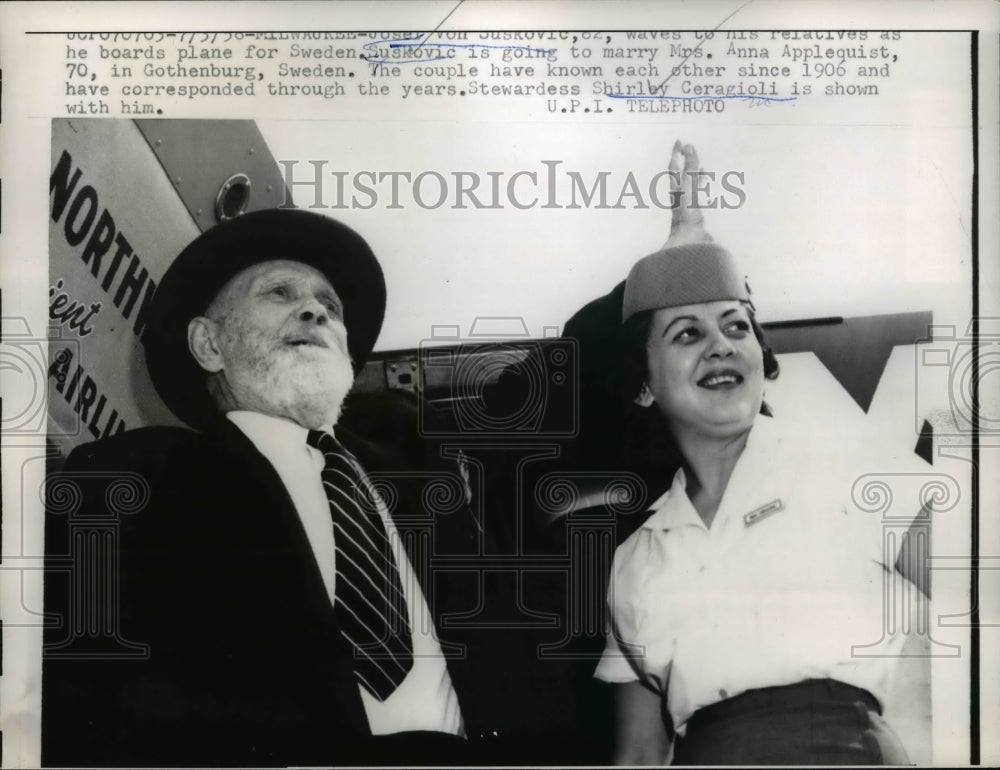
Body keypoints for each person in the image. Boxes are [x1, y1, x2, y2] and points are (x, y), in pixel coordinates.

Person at [42, 209, 472, 767]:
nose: (316, 308)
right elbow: (78, 688)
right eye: (279, 292)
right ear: (209, 345)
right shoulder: (132, 480)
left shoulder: (422, 467)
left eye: (331, 306)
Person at [591, 240, 932, 765]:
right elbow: (637, 755)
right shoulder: (634, 559)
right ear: (643, 385)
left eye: (736, 327)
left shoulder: (842, 458)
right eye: (687, 333)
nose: (721, 346)